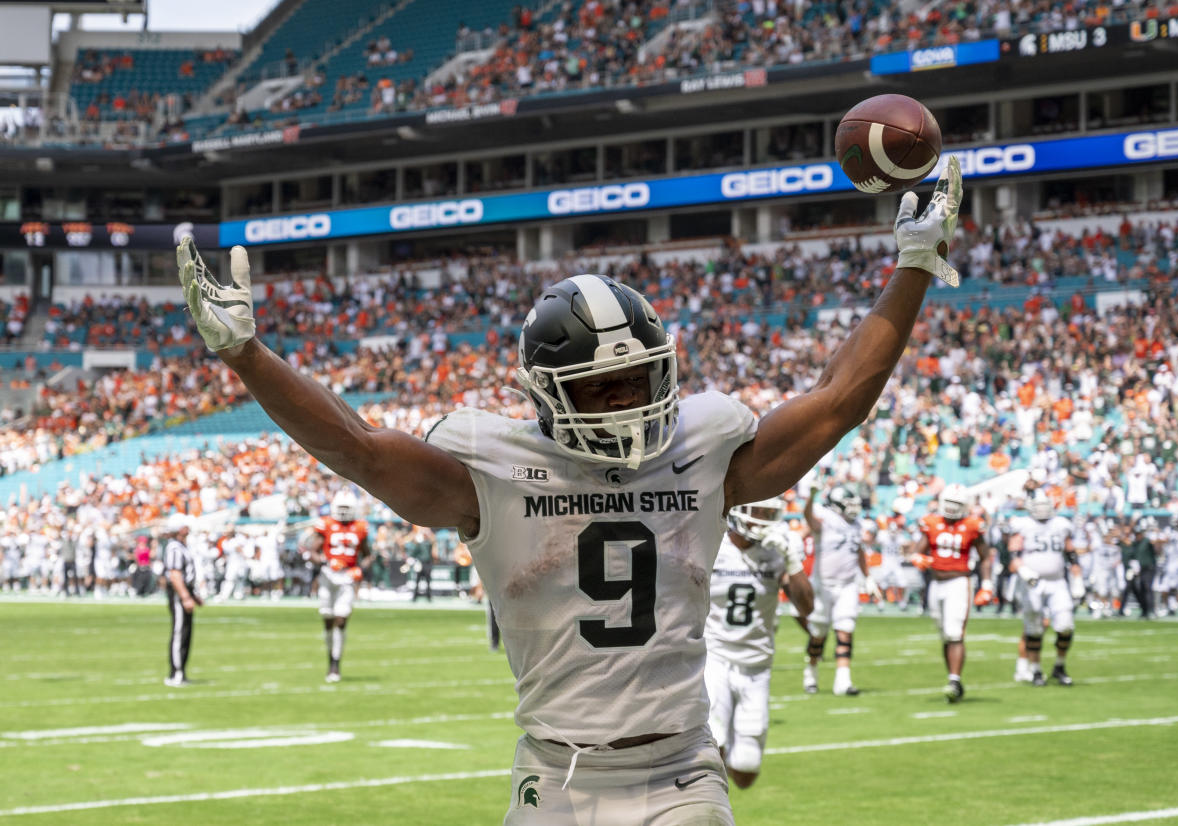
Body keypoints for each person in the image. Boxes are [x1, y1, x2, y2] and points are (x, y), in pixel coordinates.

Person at [175, 157, 962, 824]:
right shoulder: (491, 471)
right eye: (599, 388)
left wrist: (913, 266)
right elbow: (357, 449)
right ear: (549, 394)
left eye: (636, 379)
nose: (625, 399)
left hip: (682, 769)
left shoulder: (705, 447)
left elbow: (838, 400)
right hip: (556, 777)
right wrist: (246, 355)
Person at [704, 498, 813, 788]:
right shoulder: (713, 546)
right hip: (714, 656)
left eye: (768, 514)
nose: (763, 521)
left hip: (758, 664)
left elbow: (806, 607)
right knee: (711, 745)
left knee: (746, 771)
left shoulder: (777, 553)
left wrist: (792, 560)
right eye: (759, 514)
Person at [908, 483, 990, 703]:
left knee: (954, 634)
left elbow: (985, 556)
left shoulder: (973, 525)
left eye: (956, 504)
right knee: (945, 635)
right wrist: (917, 558)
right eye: (949, 503)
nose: (952, 508)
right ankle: (954, 679)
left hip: (959, 582)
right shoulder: (932, 522)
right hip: (936, 583)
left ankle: (954, 680)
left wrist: (987, 584)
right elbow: (918, 549)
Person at [801, 485, 881, 696]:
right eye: (849, 505)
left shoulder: (857, 525)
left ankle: (843, 682)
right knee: (818, 634)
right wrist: (811, 496)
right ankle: (811, 671)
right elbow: (808, 518)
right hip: (822, 585)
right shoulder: (825, 518)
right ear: (836, 506)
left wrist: (868, 578)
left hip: (847, 585)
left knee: (845, 630)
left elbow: (859, 552)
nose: (853, 509)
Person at [1007, 493, 1080, 687]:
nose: (1041, 509)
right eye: (1037, 505)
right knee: (1034, 628)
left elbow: (1070, 552)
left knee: (1065, 625)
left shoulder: (1061, 524)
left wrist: (1077, 577)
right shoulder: (1023, 525)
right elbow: (1013, 552)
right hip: (1032, 583)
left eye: (1044, 505)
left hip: (1057, 582)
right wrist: (1022, 569)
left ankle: (1059, 665)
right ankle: (1036, 670)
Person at [300, 490, 372, 682]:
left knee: (341, 620)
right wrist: (325, 562)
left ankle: (335, 665)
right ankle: (331, 657)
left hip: (347, 577)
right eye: (340, 508)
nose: (343, 512)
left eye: (346, 508)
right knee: (328, 620)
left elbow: (368, 555)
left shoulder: (360, 527)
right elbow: (313, 551)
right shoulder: (327, 524)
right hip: (328, 576)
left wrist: (360, 570)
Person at [162, 514, 200, 687]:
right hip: (179, 594)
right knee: (179, 632)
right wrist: (185, 596)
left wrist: (194, 596)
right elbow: (175, 575)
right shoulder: (174, 548)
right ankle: (176, 672)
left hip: (185, 592)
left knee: (185, 633)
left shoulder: (182, 546)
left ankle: (180, 671)